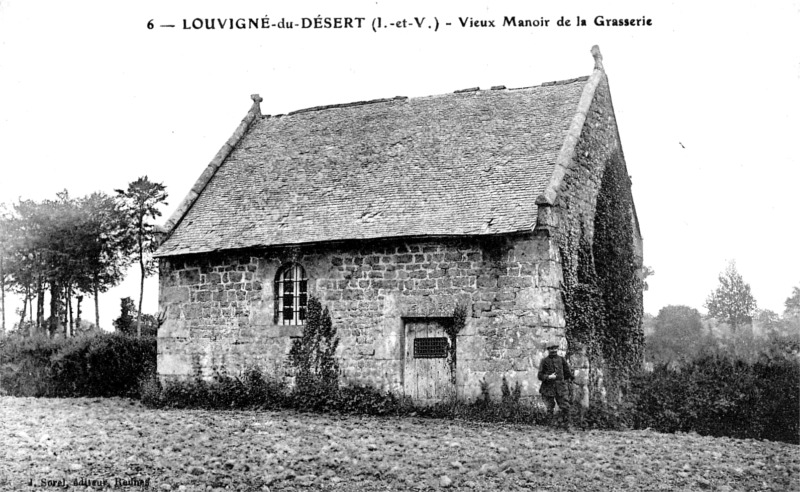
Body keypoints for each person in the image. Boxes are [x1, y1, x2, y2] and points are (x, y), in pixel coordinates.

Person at [538, 343, 574, 430]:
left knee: (565, 407)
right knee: (550, 408)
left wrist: (568, 380)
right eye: (551, 349)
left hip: (560, 388)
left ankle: (568, 425)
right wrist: (548, 377)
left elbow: (567, 373)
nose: (553, 350)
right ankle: (550, 426)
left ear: (557, 349)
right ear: (548, 350)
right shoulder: (544, 361)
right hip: (548, 388)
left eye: (555, 348)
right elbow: (540, 375)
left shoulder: (561, 360)